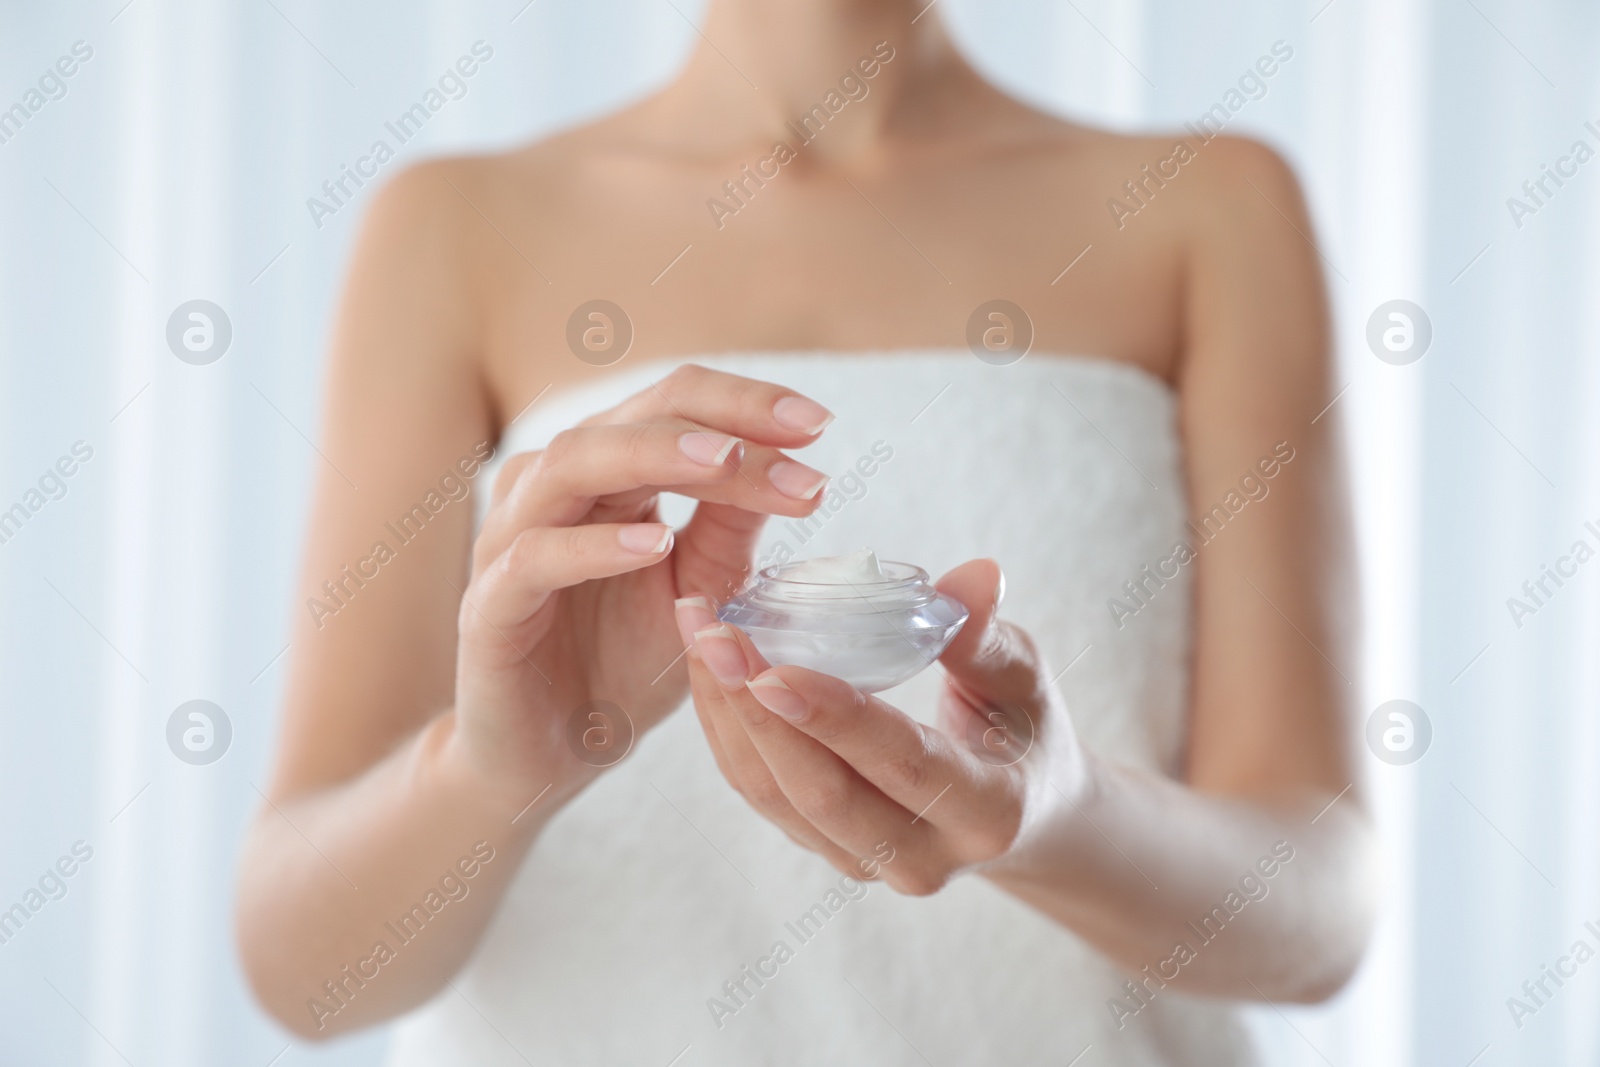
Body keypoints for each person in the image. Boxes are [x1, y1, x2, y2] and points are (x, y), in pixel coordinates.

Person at [236, 2, 1375, 1062]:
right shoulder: (454, 227)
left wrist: (1059, 813)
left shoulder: (1210, 206)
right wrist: (489, 773)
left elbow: (1320, 915)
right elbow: (304, 971)